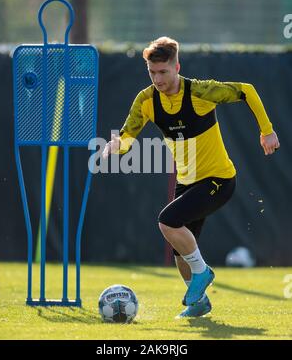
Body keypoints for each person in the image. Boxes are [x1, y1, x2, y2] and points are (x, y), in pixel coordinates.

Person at [102, 36, 280, 318]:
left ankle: (202, 272)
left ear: (177, 67)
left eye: (163, 72)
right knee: (178, 252)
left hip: (218, 180)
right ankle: (199, 303)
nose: (157, 79)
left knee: (167, 221)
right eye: (152, 72)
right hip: (188, 182)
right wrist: (116, 145)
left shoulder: (200, 91)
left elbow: (247, 90)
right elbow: (128, 135)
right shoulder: (146, 100)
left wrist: (266, 130)